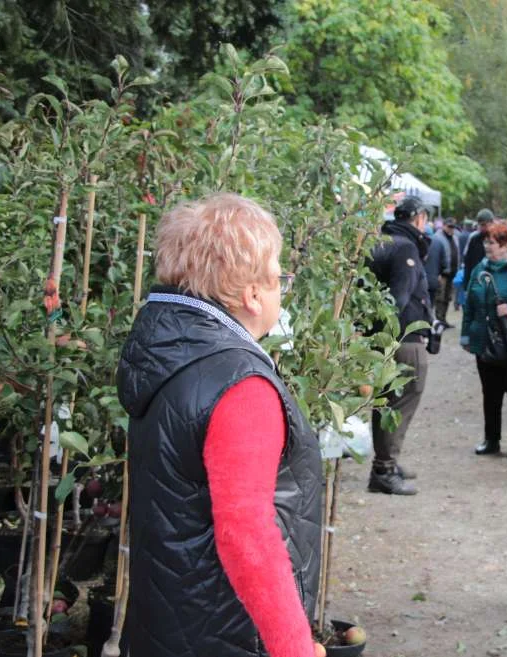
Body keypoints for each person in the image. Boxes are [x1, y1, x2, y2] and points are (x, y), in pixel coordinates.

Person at [117, 193, 321, 657]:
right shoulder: (239, 385)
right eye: (279, 277)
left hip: (169, 621)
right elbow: (247, 534)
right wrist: (295, 648)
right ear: (252, 293)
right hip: (226, 633)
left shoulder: (166, 351)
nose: (281, 289)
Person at [367, 195, 433, 495]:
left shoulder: (384, 240)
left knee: (389, 401)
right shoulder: (406, 247)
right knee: (402, 399)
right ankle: (384, 468)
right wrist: (393, 337)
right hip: (403, 337)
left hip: (388, 339)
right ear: (419, 218)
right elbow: (400, 297)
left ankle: (387, 463)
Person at [460, 223, 507, 458]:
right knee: (490, 394)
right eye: (485, 242)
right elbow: (469, 303)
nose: (486, 247)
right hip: (485, 343)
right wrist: (466, 333)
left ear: (506, 245)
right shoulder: (480, 270)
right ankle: (491, 439)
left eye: (491, 243)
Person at [434, 220, 461, 325]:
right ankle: (438, 320)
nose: (451, 229)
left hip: (452, 273)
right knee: (440, 297)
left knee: (448, 297)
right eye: (449, 227)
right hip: (442, 274)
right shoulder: (437, 238)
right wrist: (437, 272)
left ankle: (444, 319)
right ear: (444, 226)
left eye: (453, 227)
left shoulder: (455, 238)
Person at [462, 208, 496, 288]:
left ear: (492, 223)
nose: (482, 227)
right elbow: (468, 262)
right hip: (476, 280)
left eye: (484, 225)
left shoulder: (498, 239)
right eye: (480, 225)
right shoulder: (474, 239)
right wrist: (466, 285)